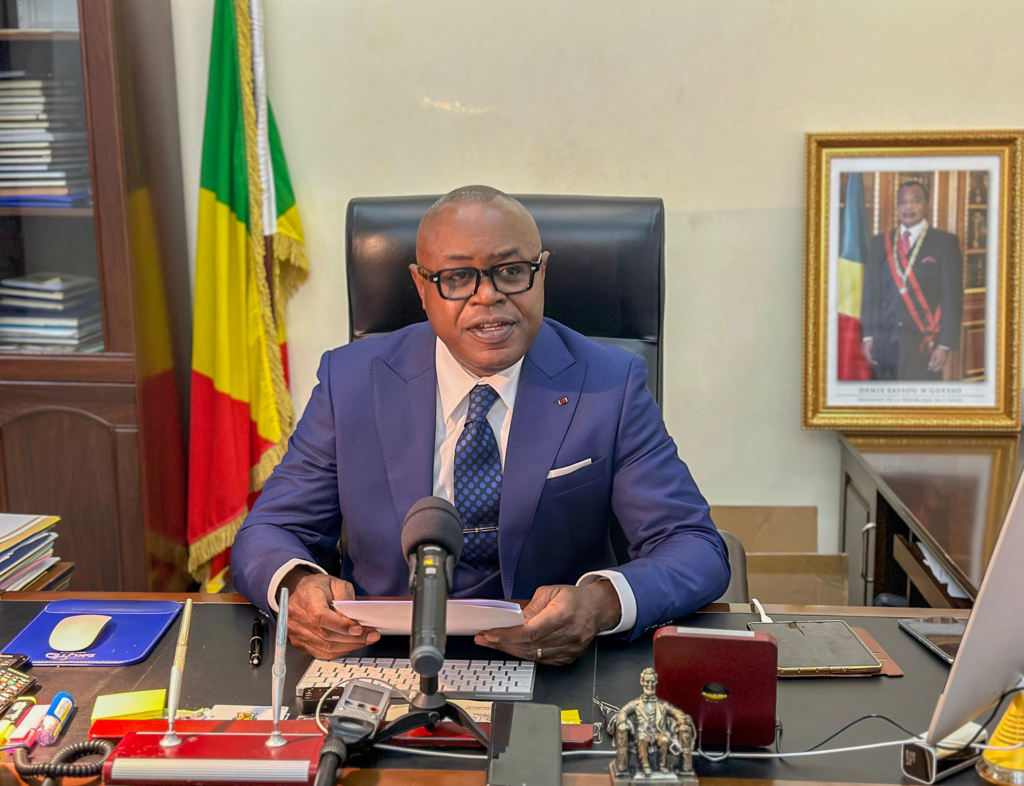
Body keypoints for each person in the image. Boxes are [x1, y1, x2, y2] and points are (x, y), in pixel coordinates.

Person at [231, 185, 730, 666]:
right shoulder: (352, 382)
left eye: (510, 272)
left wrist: (599, 604)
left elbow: (695, 547)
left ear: (542, 273)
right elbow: (271, 530)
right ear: (422, 287)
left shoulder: (608, 384)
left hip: (550, 661)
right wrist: (297, 585)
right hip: (380, 656)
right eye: (457, 278)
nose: (487, 296)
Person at [860, 180, 963, 380]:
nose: (908, 207)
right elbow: (870, 293)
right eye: (902, 202)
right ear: (897, 206)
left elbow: (952, 298)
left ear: (926, 205)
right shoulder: (880, 243)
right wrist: (868, 336)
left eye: (915, 201)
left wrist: (945, 345)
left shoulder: (944, 242)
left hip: (924, 343)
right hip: (885, 342)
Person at [612, 667, 695, 776]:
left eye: (652, 681)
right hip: (642, 733)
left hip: (658, 732)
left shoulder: (663, 705)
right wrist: (622, 722)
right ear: (642, 682)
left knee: (664, 740)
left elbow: (676, 712)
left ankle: (662, 765)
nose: (650, 685)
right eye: (647, 681)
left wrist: (682, 721)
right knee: (642, 739)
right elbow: (623, 712)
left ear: (656, 682)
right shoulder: (635, 704)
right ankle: (645, 766)